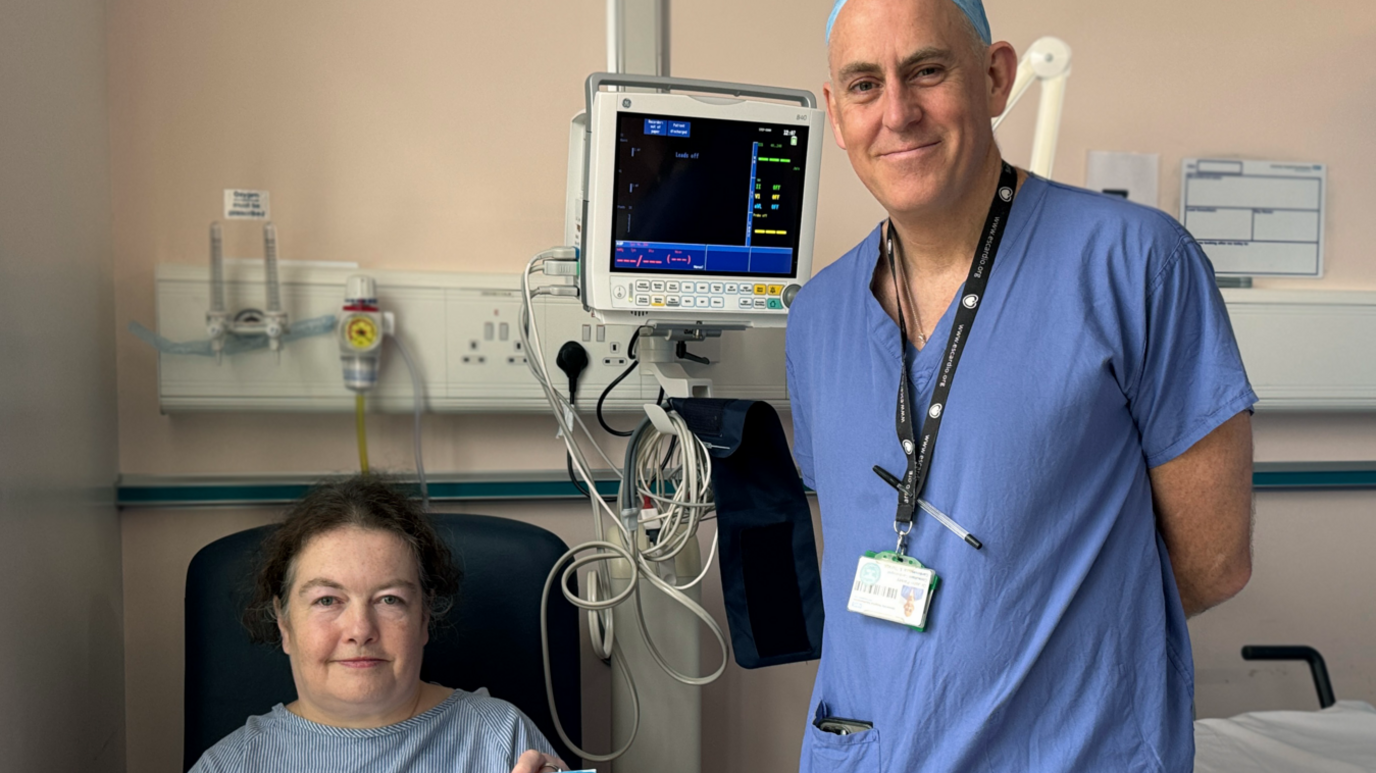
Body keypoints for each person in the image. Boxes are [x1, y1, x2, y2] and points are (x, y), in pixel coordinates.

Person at [785, 0, 1256, 770]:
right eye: (865, 85)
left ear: (997, 77)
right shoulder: (818, 319)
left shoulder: (1137, 266)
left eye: (927, 71)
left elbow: (1214, 562)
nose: (897, 112)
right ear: (837, 115)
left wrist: (1038, 653)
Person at [190, 476, 571, 773]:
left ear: (424, 618)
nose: (360, 629)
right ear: (284, 623)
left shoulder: (503, 740)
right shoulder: (229, 765)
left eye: (389, 599)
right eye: (327, 600)